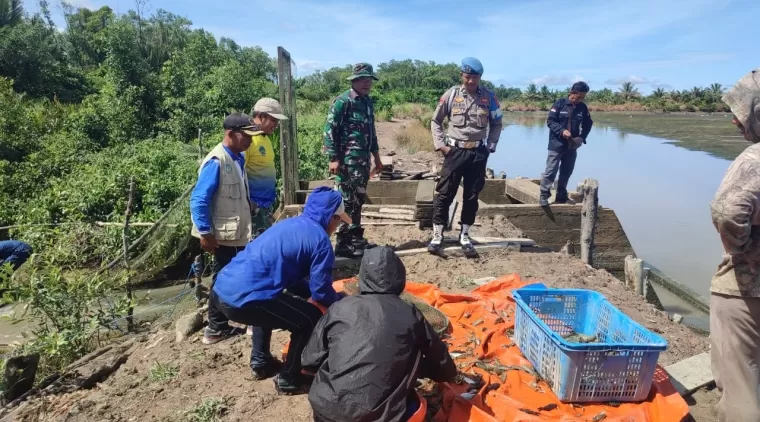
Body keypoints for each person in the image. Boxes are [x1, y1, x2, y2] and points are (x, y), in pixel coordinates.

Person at [211, 186, 348, 394]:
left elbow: (291, 279)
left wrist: (308, 293)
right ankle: (289, 378)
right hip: (244, 299)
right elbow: (321, 291)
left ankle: (261, 362)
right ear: (331, 217)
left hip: (221, 289)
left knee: (269, 300)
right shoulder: (321, 241)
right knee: (309, 318)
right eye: (338, 221)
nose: (337, 226)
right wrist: (340, 301)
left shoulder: (289, 224)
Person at [303, 246, 457, 422]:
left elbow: (309, 360)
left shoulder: (340, 307)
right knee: (418, 404)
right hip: (381, 417)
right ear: (400, 277)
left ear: (363, 276)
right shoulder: (411, 314)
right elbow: (442, 365)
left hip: (327, 413)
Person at [709, 68, 760, 422]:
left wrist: (738, 248)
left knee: (741, 388)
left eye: (742, 112)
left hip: (748, 289)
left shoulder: (754, 160)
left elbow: (727, 212)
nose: (734, 121)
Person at [190, 112, 256, 345]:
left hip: (237, 231)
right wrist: (205, 233)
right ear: (231, 134)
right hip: (224, 235)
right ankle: (217, 327)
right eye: (246, 136)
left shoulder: (237, 158)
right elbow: (199, 200)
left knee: (232, 276)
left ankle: (226, 325)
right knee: (224, 279)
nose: (250, 141)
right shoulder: (217, 161)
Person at [428, 57, 503, 257]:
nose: (471, 81)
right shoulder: (451, 95)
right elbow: (436, 121)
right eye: (468, 76)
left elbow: (496, 123)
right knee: (445, 193)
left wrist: (491, 146)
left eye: (475, 77)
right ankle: (437, 234)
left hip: (478, 153)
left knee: (472, 195)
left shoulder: (489, 97)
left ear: (480, 77)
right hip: (455, 152)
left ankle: (465, 235)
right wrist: (441, 146)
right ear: (462, 75)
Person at [323, 63, 384, 259]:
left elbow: (371, 133)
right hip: (346, 162)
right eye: (362, 79)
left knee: (358, 199)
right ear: (354, 81)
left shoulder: (367, 102)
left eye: (369, 80)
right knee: (346, 201)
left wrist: (377, 158)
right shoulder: (343, 101)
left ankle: (356, 238)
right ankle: (343, 242)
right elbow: (329, 130)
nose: (367, 83)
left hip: (363, 162)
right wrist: (333, 158)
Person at [538, 82, 593, 206]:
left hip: (572, 145)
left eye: (582, 98)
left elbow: (588, 124)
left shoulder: (582, 107)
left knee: (567, 171)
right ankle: (544, 195)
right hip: (556, 143)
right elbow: (550, 121)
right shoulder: (559, 104)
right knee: (551, 170)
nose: (579, 100)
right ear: (572, 92)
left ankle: (561, 196)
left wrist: (582, 137)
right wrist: (562, 131)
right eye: (578, 97)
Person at [245, 98, 288, 239]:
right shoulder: (248, 139)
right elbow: (237, 172)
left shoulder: (264, 138)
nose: (276, 125)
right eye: (273, 120)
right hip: (254, 208)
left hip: (266, 206)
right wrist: (248, 202)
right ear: (261, 116)